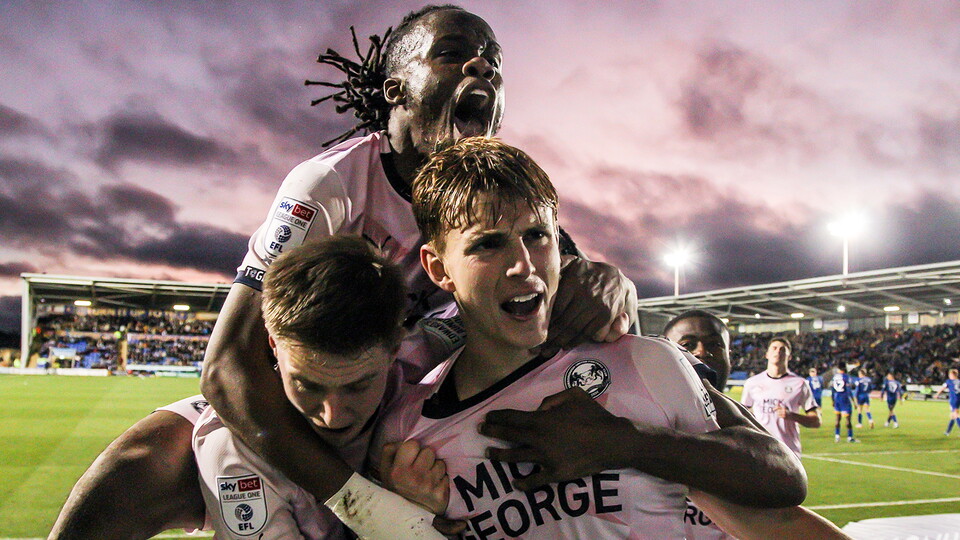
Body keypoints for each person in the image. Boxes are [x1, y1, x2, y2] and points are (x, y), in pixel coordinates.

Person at [50, 6, 637, 539]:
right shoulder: (330, 185)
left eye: (494, 63)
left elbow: (576, 283)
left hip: (416, 420)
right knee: (139, 467)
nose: (483, 66)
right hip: (318, 412)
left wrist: (611, 281)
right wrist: (364, 505)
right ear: (396, 88)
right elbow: (227, 369)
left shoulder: (495, 198)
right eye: (453, 54)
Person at [374, 138, 845, 538]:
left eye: (537, 236)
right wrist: (406, 525)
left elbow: (782, 490)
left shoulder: (643, 362)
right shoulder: (406, 435)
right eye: (487, 244)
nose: (524, 265)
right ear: (438, 269)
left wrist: (624, 443)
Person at [193, 236, 454, 539]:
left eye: (358, 386)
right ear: (274, 346)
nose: (332, 416)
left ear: (395, 349)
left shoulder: (431, 374)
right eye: (308, 385)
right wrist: (405, 517)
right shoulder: (235, 453)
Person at [741, 338, 821, 456]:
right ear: (767, 354)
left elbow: (816, 421)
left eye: (782, 349)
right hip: (759, 451)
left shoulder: (799, 383)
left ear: (789, 357)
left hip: (788, 453)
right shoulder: (752, 383)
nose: (778, 351)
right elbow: (742, 415)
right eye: (774, 348)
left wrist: (791, 415)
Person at [831, 362, 857, 443]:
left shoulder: (834, 377)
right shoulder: (846, 377)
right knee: (848, 419)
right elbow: (849, 390)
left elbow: (832, 390)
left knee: (837, 419)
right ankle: (849, 437)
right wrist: (854, 401)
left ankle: (837, 436)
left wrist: (833, 400)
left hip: (837, 398)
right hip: (844, 399)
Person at [933, 368, 960, 436]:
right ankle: (948, 432)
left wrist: (937, 394)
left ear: (952, 375)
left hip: (953, 400)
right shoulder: (959, 381)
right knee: (953, 416)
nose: (949, 376)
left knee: (956, 415)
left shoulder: (949, 381)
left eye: (950, 374)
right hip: (958, 399)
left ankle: (948, 431)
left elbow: (942, 388)